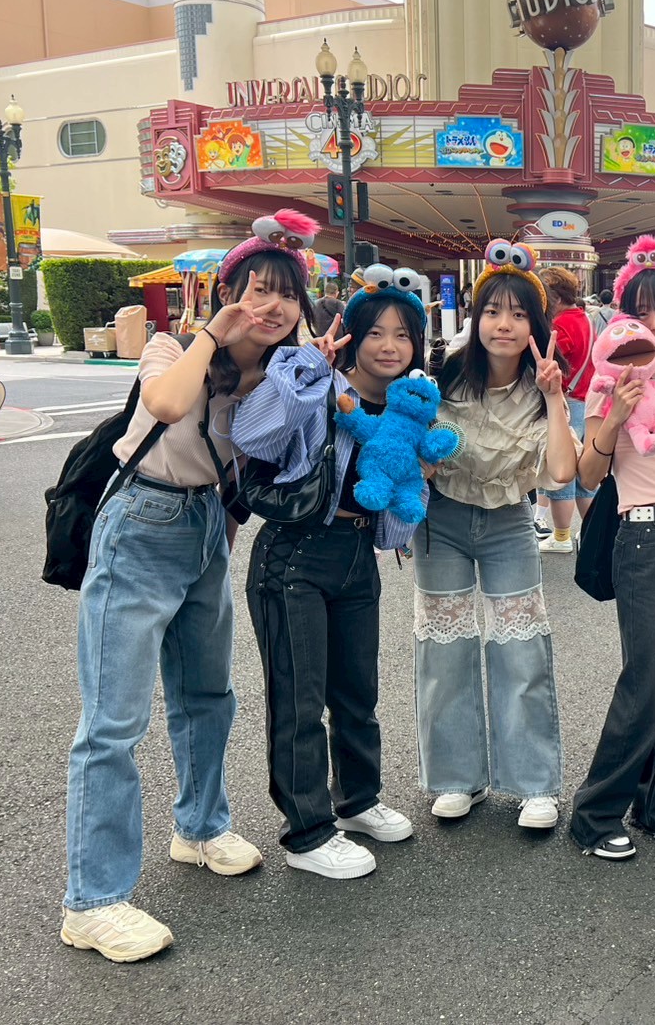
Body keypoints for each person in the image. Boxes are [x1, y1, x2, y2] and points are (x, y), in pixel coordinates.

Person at [61, 212, 319, 963]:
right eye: (256, 290)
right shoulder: (171, 348)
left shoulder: (275, 376)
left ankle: (200, 827)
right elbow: (169, 407)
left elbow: (274, 462)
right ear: (227, 292)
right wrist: (212, 332)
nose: (271, 306)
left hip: (206, 526)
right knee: (112, 723)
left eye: (287, 294)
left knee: (208, 693)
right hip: (139, 523)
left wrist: (311, 375)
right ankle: (91, 901)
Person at [231, 273, 429, 880]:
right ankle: (308, 831)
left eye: (403, 335)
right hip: (295, 555)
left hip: (358, 554)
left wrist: (418, 474)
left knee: (357, 693)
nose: (389, 346)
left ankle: (358, 802)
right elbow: (251, 431)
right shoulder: (322, 389)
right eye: (376, 333)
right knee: (299, 699)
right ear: (353, 337)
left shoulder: (410, 410)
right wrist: (310, 369)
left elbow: (396, 517)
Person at [413, 241, 577, 831]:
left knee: (521, 649)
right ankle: (457, 778)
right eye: (492, 311)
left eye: (518, 313)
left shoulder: (544, 387)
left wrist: (555, 399)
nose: (503, 324)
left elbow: (562, 471)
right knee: (445, 650)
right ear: (476, 318)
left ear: (536, 325)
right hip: (442, 521)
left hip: (509, 521)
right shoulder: (442, 375)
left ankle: (534, 785)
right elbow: (410, 446)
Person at [570, 239, 655, 860]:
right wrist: (611, 415)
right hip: (645, 539)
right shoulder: (611, 380)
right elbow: (588, 473)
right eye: (642, 310)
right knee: (647, 682)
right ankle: (596, 813)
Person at [535, 266, 599, 553]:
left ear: (556, 298)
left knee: (561, 474)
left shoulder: (559, 326)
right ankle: (592, 535)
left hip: (567, 403)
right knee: (585, 479)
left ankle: (561, 536)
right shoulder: (585, 319)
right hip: (586, 401)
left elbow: (549, 366)